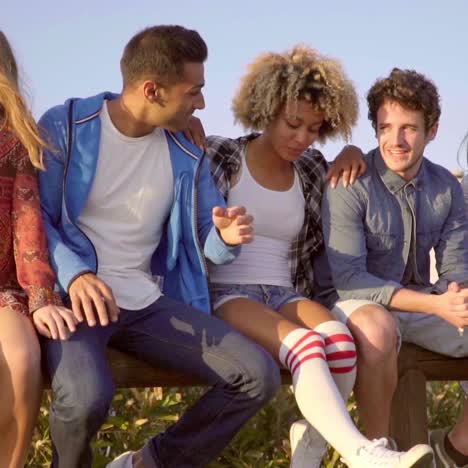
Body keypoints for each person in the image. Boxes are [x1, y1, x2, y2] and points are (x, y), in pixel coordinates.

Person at [38, 25, 282, 468]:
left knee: (257, 374)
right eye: (194, 91)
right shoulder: (66, 126)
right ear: (152, 90)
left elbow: (208, 241)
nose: (201, 103)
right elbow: (37, 216)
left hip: (149, 302)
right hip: (74, 302)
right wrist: (75, 274)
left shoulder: (186, 150)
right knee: (86, 397)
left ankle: (148, 463)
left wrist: (225, 239)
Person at [205, 46, 433, 468]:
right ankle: (364, 453)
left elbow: (343, 173)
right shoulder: (223, 156)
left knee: (341, 342)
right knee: (308, 346)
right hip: (226, 292)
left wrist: (350, 154)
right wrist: (220, 237)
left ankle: (309, 444)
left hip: (285, 292)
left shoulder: (309, 168)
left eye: (314, 128)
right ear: (266, 108)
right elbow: (189, 231)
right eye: (293, 124)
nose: (302, 138)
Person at [322, 67, 468, 467]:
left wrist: (454, 296)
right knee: (378, 327)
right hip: (353, 305)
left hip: (420, 303)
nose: (396, 140)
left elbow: (455, 265)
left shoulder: (446, 187)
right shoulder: (349, 181)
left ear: (432, 130)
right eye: (385, 127)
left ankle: (455, 448)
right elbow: (350, 281)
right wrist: (437, 307)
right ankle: (376, 451)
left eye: (408, 128)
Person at [0, 31, 77, 468]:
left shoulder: (13, 142)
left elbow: (27, 225)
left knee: (23, 359)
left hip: (3, 290)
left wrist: (42, 296)